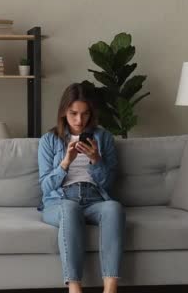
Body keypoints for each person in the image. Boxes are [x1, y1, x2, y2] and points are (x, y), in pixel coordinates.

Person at [37, 83, 125, 293]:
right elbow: (46, 187)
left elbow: (109, 182)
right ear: (63, 112)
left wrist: (96, 160)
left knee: (114, 208)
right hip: (60, 200)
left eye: (85, 114)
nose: (79, 120)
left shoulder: (103, 138)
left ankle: (110, 288)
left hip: (95, 199)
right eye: (73, 113)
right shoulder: (49, 140)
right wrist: (65, 162)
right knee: (69, 208)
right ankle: (75, 288)